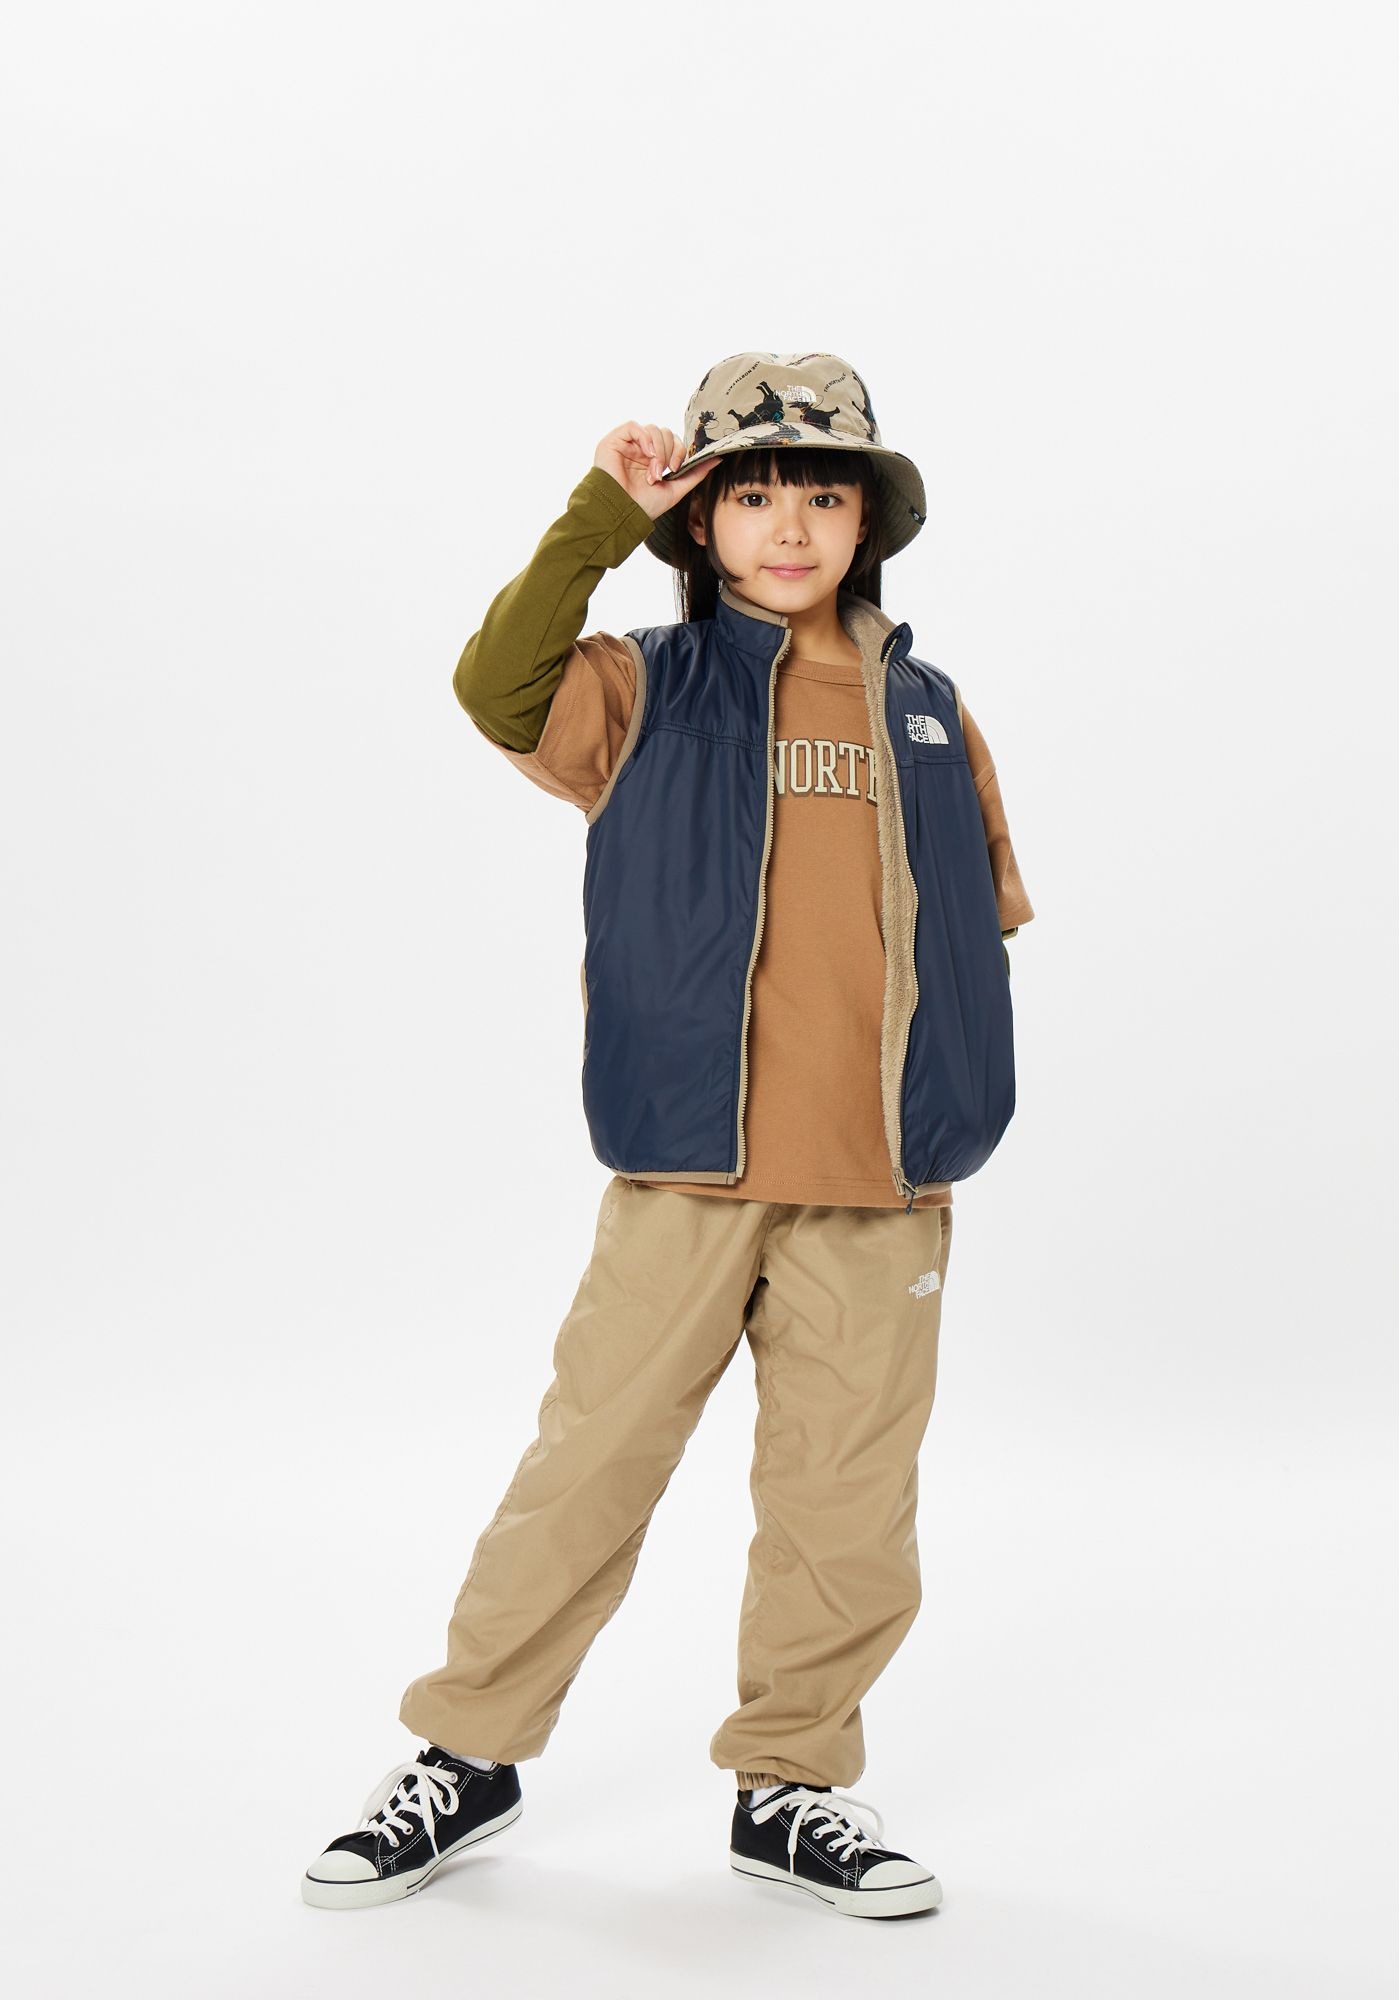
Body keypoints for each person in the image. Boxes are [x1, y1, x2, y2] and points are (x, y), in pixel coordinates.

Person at [301, 351, 1036, 1920]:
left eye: (822, 494)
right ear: (700, 524)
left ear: (867, 521)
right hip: (687, 1174)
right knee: (589, 1469)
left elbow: (981, 923)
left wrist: (954, 1113)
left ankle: (794, 1785)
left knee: (848, 1507)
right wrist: (597, 515)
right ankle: (468, 1756)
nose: (791, 526)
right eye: (752, 496)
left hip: (881, 1189)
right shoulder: (639, 688)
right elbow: (494, 685)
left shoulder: (927, 711)